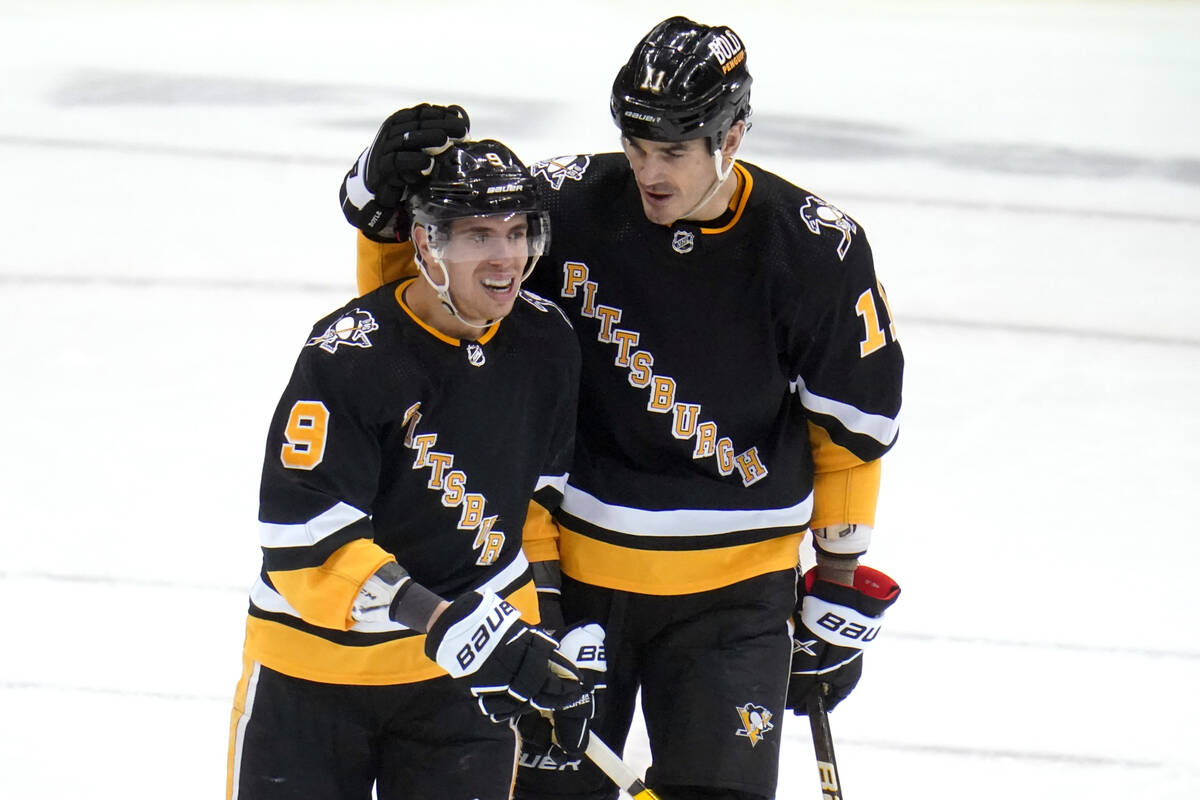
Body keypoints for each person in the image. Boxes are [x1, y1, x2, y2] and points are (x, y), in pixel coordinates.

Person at [340, 16, 904, 800]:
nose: (649, 173)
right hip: (570, 581)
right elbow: (419, 310)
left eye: (673, 151)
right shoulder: (567, 206)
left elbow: (850, 427)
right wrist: (377, 209)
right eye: (637, 148)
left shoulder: (813, 248)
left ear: (733, 134)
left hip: (736, 600)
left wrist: (838, 579)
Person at [227, 139, 605, 800]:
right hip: (313, 678)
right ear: (427, 246)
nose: (506, 258)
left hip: (461, 688)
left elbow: (537, 508)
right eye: (479, 235)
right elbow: (305, 538)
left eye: (518, 232)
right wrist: (439, 619)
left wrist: (539, 646)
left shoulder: (545, 341)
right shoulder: (349, 353)